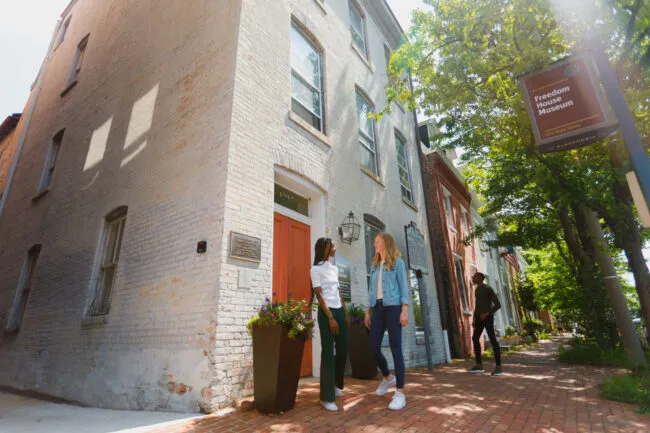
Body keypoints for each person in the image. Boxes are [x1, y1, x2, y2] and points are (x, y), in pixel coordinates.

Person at [364, 232, 410, 410]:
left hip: (393, 308)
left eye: (377, 242)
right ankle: (388, 378)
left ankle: (400, 393)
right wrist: (368, 311)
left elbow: (404, 288)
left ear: (386, 244)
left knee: (396, 347)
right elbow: (371, 290)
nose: (374, 244)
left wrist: (404, 311)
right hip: (377, 308)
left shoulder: (397, 263)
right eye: (375, 242)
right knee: (373, 348)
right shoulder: (375, 265)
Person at [310, 238, 350, 412]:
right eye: (331, 246)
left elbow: (337, 291)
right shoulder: (315, 269)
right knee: (328, 351)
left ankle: (336, 383)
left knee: (343, 348)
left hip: (339, 311)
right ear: (325, 249)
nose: (334, 248)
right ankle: (326, 397)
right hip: (327, 314)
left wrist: (345, 312)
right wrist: (331, 318)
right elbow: (319, 295)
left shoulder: (334, 268)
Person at [468, 272, 504, 376]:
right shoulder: (477, 290)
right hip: (479, 319)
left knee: (493, 340)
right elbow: (477, 306)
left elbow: (498, 305)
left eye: (474, 276)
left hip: (487, 318)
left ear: (479, 278)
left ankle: (499, 368)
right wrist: (474, 319)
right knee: (475, 338)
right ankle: (479, 366)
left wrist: (487, 314)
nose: (473, 277)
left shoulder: (488, 289)